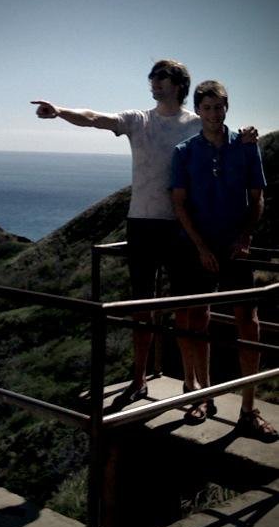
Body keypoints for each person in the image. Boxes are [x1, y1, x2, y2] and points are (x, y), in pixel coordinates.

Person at [32, 60, 257, 406]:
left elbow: (226, 137)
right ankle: (139, 380)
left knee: (188, 311)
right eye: (152, 78)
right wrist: (60, 111)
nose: (153, 83)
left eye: (161, 78)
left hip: (183, 227)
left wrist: (247, 136)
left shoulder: (198, 121)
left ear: (179, 85)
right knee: (142, 307)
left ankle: (194, 387)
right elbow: (95, 118)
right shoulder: (138, 120)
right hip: (142, 223)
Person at [171, 80, 277, 441]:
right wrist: (200, 247)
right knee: (196, 318)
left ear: (227, 108)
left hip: (236, 249)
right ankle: (203, 396)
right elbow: (179, 203)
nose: (214, 114)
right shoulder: (185, 152)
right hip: (198, 247)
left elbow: (257, 198)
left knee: (248, 322)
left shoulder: (246, 146)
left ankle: (249, 410)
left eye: (219, 107)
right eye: (208, 108)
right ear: (197, 110)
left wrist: (245, 236)